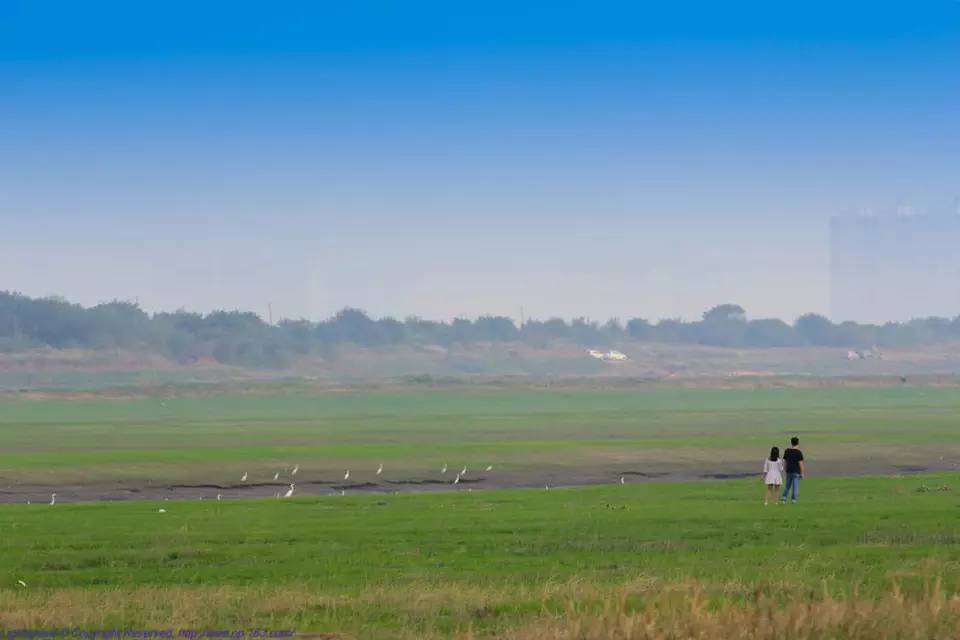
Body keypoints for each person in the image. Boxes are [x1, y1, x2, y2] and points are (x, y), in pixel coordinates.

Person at [780, 437, 805, 503]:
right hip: (796, 472)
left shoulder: (787, 451)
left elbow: (785, 461)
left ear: (791, 443)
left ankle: (784, 498)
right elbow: (801, 463)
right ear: (798, 443)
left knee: (787, 486)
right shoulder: (799, 452)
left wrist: (785, 469)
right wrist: (802, 473)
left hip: (789, 471)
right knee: (795, 486)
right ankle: (793, 499)